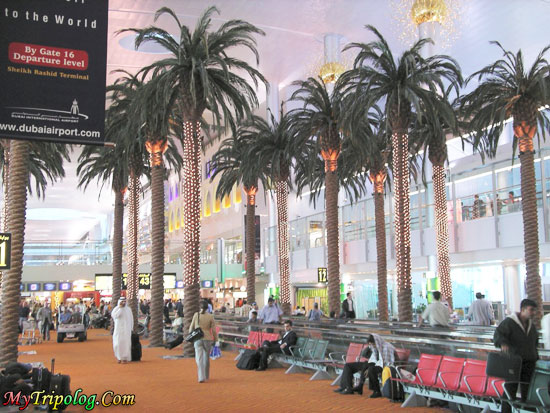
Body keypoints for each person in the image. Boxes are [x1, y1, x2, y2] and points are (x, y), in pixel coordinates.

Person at [494, 299, 538, 413]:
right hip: (514, 361)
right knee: (510, 389)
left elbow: (534, 342)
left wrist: (535, 355)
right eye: (531, 310)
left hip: (529, 361)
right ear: (523, 309)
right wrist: (503, 343)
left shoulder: (531, 325)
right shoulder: (509, 322)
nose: (533, 312)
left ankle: (526, 410)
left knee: (528, 390)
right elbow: (498, 334)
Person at [190, 300, 218, 383]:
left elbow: (191, 327)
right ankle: (206, 375)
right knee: (206, 358)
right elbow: (213, 330)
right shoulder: (210, 316)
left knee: (199, 358)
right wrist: (216, 340)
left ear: (200, 306)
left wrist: (191, 336)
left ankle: (201, 377)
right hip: (208, 339)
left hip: (198, 338)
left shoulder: (196, 315)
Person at [111, 298, 133, 364]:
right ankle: (119, 357)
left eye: (124, 301)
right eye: (122, 301)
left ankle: (125, 358)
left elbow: (131, 319)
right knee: (117, 344)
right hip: (118, 330)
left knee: (126, 344)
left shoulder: (128, 309)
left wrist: (131, 328)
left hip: (127, 330)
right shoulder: (116, 309)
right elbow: (115, 316)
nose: (123, 303)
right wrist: (120, 308)